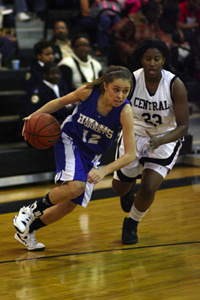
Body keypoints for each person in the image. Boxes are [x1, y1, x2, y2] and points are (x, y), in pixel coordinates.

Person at [13, 65, 136, 251]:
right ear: (105, 86)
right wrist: (33, 116)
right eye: (116, 90)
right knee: (75, 187)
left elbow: (130, 154)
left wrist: (103, 171)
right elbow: (59, 102)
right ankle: (29, 211)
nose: (120, 95)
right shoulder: (88, 92)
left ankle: (27, 231)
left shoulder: (125, 111)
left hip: (91, 156)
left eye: (125, 91)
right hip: (69, 140)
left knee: (69, 205)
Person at [112, 38, 189, 245]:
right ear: (141, 60)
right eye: (148, 59)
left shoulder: (175, 84)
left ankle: (131, 224)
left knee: (149, 187)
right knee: (119, 188)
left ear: (164, 60)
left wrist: (161, 140)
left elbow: (183, 126)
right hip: (134, 133)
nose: (152, 63)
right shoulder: (131, 80)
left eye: (157, 59)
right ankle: (127, 191)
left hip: (165, 137)